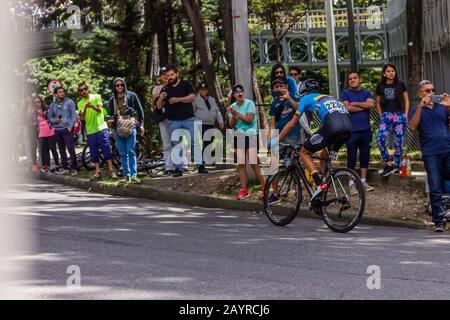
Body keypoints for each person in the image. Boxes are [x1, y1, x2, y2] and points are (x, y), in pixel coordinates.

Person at [269, 79, 352, 202]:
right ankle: (325, 185)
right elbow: (323, 126)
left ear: (303, 91)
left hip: (333, 127)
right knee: (326, 155)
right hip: (347, 129)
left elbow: (292, 124)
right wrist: (312, 139)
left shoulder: (306, 98)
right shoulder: (329, 97)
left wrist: (275, 140)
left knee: (304, 152)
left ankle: (319, 184)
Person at [409, 80, 450, 232]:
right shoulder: (416, 109)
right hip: (430, 153)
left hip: (447, 150)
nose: (431, 93)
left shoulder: (442, 107)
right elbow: (413, 126)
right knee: (435, 186)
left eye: (433, 90)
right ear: (421, 93)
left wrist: (449, 104)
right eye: (427, 90)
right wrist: (421, 106)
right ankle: (439, 222)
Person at [157, 64, 207, 177]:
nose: (170, 77)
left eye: (172, 75)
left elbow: (192, 97)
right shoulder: (165, 89)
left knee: (195, 142)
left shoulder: (185, 84)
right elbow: (159, 107)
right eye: (168, 75)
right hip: (173, 121)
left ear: (177, 74)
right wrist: (160, 98)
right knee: (176, 145)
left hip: (189, 119)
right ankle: (178, 169)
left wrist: (178, 99)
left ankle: (200, 165)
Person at [266, 77, 302, 205]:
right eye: (276, 86)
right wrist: (270, 139)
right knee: (273, 165)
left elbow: (300, 108)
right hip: (278, 137)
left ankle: (298, 192)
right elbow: (272, 123)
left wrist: (289, 99)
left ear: (286, 86)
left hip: (294, 137)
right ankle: (275, 193)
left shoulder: (293, 97)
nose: (279, 89)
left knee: (293, 165)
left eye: (281, 86)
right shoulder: (274, 103)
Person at [228, 84, 265, 201]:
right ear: (234, 95)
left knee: (254, 163)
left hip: (251, 134)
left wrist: (237, 113)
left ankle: (265, 188)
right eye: (237, 92)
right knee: (241, 164)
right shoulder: (232, 107)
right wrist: (233, 115)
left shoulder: (250, 103)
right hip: (239, 135)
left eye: (241, 91)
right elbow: (231, 124)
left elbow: (249, 120)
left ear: (243, 93)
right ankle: (244, 190)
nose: (240, 93)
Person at [340, 71, 376, 194]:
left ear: (360, 79)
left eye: (355, 78)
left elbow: (371, 104)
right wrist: (363, 106)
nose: (352, 80)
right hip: (352, 131)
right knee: (351, 157)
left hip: (366, 130)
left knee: (365, 156)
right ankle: (351, 184)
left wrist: (355, 104)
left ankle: (363, 181)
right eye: (350, 79)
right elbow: (346, 108)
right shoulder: (345, 93)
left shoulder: (366, 92)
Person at [107, 78, 145, 184]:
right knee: (122, 153)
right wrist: (110, 120)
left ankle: (134, 175)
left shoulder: (132, 95)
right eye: (117, 85)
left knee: (131, 151)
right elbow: (110, 115)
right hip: (117, 128)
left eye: (121, 85)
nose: (119, 87)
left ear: (124, 85)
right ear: (114, 87)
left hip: (130, 126)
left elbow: (140, 110)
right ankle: (126, 175)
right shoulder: (112, 100)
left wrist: (141, 125)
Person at [375, 63, 410, 177]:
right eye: (388, 71)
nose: (391, 73)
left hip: (399, 115)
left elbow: (406, 100)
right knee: (380, 139)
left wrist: (405, 114)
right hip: (387, 116)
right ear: (384, 73)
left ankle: (396, 165)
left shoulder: (400, 84)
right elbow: (378, 102)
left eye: (393, 71)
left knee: (398, 142)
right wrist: (381, 115)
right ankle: (387, 162)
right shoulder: (380, 86)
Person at [77, 83, 117, 181]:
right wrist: (86, 108)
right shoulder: (80, 103)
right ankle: (98, 171)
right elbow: (82, 117)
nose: (83, 91)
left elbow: (100, 110)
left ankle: (111, 170)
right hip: (90, 131)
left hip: (101, 128)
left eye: (85, 89)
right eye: (81, 90)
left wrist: (92, 106)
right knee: (94, 152)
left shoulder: (96, 97)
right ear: (80, 92)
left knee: (106, 149)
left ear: (88, 89)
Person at [152, 67, 187, 174]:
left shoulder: (176, 86)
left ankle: (182, 164)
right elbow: (155, 104)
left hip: (176, 117)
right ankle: (169, 167)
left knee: (178, 141)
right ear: (160, 77)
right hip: (163, 118)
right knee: (167, 143)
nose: (165, 77)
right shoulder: (156, 89)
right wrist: (160, 97)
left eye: (167, 74)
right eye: (162, 74)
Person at [47, 86, 78, 176]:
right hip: (57, 130)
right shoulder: (52, 105)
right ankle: (65, 168)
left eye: (63, 91)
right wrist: (54, 121)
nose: (62, 93)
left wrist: (70, 126)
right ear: (56, 94)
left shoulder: (70, 102)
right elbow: (50, 117)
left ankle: (74, 168)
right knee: (61, 150)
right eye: (60, 92)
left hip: (67, 129)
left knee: (71, 149)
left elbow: (73, 115)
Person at [193, 83, 224, 166]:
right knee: (205, 141)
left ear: (207, 90)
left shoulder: (212, 99)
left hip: (210, 123)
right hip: (200, 123)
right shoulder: (195, 99)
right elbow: (192, 111)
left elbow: (217, 111)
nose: (203, 91)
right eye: (201, 89)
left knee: (209, 141)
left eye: (205, 89)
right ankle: (203, 159)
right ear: (199, 90)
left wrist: (220, 121)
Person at [35, 96, 59, 173]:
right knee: (44, 150)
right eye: (35, 102)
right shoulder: (33, 112)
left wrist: (42, 113)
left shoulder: (47, 109)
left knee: (53, 149)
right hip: (42, 133)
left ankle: (57, 165)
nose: (37, 104)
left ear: (41, 102)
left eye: (38, 102)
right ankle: (46, 166)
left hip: (50, 131)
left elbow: (50, 118)